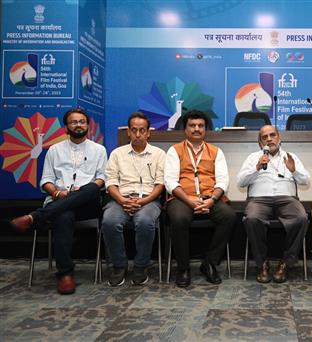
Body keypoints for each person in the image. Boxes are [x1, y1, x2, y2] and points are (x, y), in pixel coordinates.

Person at [10, 107, 107, 294]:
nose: (78, 125)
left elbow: (102, 179)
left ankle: (34, 217)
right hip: (59, 200)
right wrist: (56, 193)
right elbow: (45, 180)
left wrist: (82, 191)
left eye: (81, 122)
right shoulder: (54, 150)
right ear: (66, 127)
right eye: (73, 122)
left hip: (87, 203)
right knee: (64, 215)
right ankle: (65, 275)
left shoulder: (99, 150)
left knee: (93, 188)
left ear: (88, 125)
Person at [164, 110, 235, 287]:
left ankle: (209, 263)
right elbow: (170, 182)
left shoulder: (216, 152)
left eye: (200, 126)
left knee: (228, 216)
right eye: (192, 125)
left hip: (210, 197)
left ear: (206, 129)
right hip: (182, 198)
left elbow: (223, 180)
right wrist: (190, 201)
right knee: (179, 218)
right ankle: (183, 268)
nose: (197, 129)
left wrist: (211, 200)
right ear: (185, 128)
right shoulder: (174, 150)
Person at [237, 125, 310, 283]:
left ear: (279, 138)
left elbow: (306, 181)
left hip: (287, 199)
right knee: (252, 219)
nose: (269, 139)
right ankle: (262, 264)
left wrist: (294, 170)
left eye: (272, 135)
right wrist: (256, 167)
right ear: (260, 142)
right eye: (264, 137)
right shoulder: (253, 158)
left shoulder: (291, 157)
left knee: (301, 218)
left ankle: (286, 263)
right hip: (259, 199)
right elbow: (241, 182)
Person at [101, 112, 166, 286]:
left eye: (142, 130)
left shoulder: (159, 154)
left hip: (149, 200)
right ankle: (119, 266)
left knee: (145, 221)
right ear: (128, 132)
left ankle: (140, 266)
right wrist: (123, 201)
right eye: (134, 130)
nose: (138, 134)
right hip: (121, 199)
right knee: (109, 220)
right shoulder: (117, 154)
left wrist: (143, 202)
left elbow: (160, 185)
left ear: (148, 133)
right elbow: (111, 183)